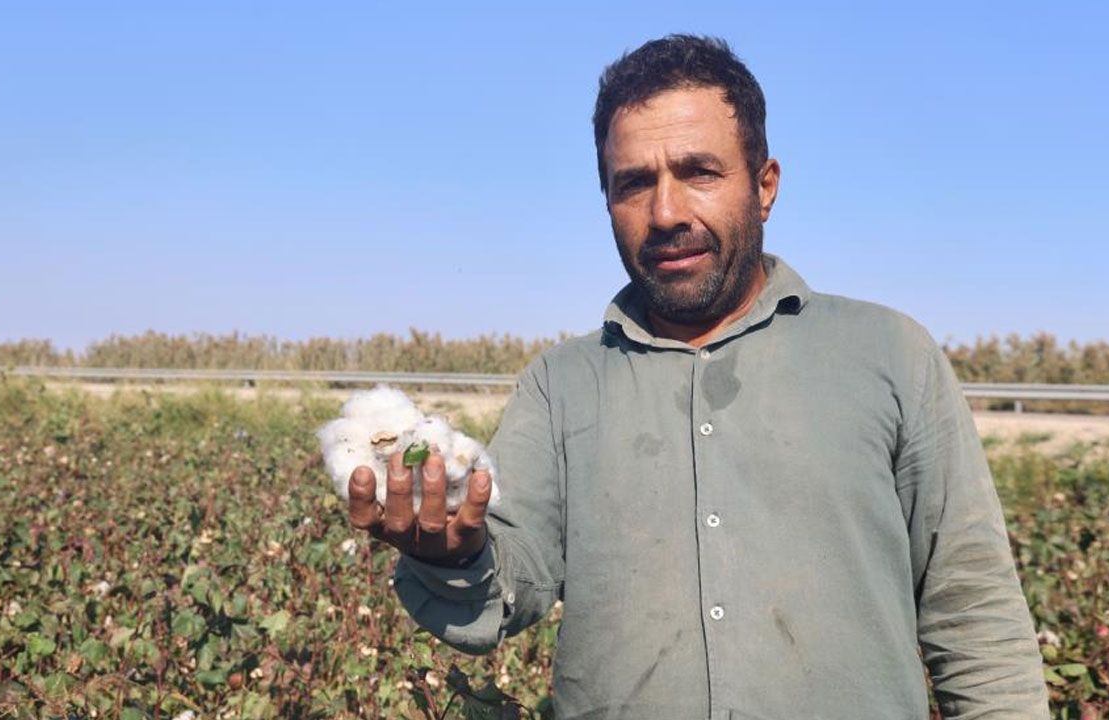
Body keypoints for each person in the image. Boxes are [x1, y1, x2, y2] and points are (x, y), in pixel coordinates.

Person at [345, 34, 1049, 719]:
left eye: (699, 172)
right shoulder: (560, 385)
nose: (666, 212)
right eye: (634, 184)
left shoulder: (891, 355)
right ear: (607, 202)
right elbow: (510, 582)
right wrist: (457, 552)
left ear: (765, 186)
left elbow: (973, 611)